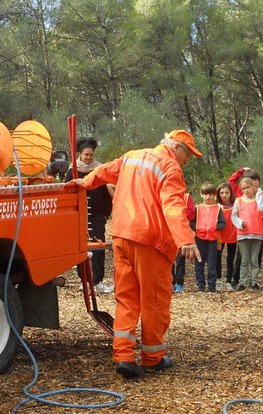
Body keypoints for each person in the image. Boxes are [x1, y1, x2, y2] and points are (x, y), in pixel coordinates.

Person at [73, 130, 201, 378]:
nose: (188, 160)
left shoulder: (132, 157)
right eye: (188, 154)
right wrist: (186, 239)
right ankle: (153, 358)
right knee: (153, 300)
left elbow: (103, 171)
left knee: (127, 298)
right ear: (176, 148)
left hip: (122, 235)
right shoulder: (170, 169)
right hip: (150, 242)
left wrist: (85, 182)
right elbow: (173, 207)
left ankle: (124, 357)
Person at [74, 138, 116, 294]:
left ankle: (97, 280)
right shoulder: (73, 170)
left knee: (98, 246)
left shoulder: (100, 169)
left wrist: (105, 214)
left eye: (91, 155)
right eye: (86, 155)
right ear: (80, 154)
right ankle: (83, 280)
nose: (88, 158)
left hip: (98, 215)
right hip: (79, 216)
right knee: (81, 248)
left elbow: (108, 194)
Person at [231, 177, 263, 291]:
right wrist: (239, 223)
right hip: (243, 234)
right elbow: (233, 215)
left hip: (257, 234)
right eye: (243, 188)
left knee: (254, 260)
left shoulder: (259, 200)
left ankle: (255, 282)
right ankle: (243, 282)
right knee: (244, 260)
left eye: (248, 187)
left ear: (254, 187)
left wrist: (259, 194)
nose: (246, 190)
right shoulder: (239, 200)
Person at [193, 183, 227, 292]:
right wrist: (198, 227)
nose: (208, 197)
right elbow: (191, 222)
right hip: (199, 239)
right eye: (205, 194)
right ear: (201, 195)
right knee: (199, 262)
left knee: (212, 263)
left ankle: (212, 286)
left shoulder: (217, 209)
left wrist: (215, 227)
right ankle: (201, 285)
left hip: (212, 240)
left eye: (211, 194)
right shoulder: (197, 208)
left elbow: (223, 223)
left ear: (214, 196)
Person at [217, 183, 239, 291]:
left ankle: (229, 281)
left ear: (231, 194)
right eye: (221, 193)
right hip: (219, 236)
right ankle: (218, 279)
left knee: (230, 259)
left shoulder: (235, 205)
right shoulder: (216, 206)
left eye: (227, 193)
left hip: (232, 235)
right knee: (217, 258)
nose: (224, 195)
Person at [172, 190, 195, 293]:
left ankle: (179, 283)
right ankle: (171, 282)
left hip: (182, 231)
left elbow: (191, 213)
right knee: (169, 259)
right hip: (169, 231)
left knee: (180, 259)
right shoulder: (167, 194)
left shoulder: (186, 197)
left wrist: (179, 213)